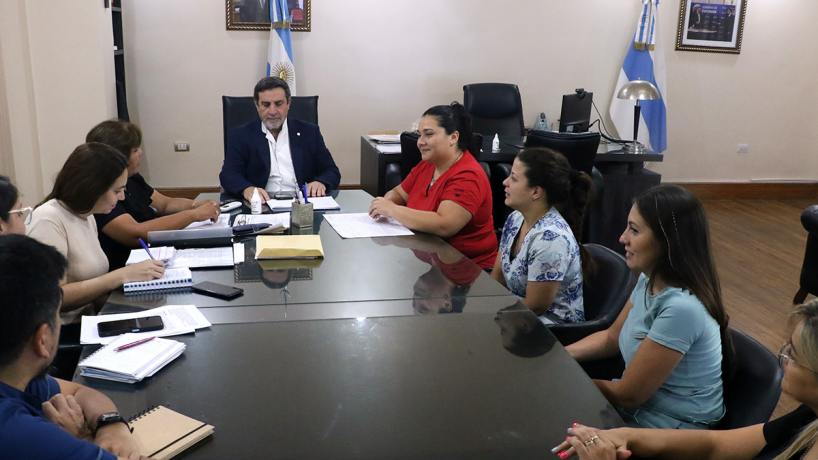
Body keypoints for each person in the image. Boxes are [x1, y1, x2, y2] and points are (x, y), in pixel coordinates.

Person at [554, 299, 818, 460]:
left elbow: (629, 394)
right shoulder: (809, 416)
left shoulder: (683, 310)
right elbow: (715, 445)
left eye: (793, 354)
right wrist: (625, 435)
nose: (784, 358)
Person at [565, 184, 732, 429]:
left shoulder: (682, 309)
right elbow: (611, 338)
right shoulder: (648, 279)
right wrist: (561, 356)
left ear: (668, 241)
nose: (623, 238)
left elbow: (628, 395)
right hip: (636, 412)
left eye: (634, 230)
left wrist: (567, 379)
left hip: (669, 428)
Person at [0, 234, 149, 459]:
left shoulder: (15, 376)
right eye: (57, 316)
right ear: (43, 339)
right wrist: (81, 440)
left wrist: (111, 425)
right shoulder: (24, 435)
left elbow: (79, 391)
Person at [27, 143, 165, 324]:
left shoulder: (87, 215)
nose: (122, 197)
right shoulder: (48, 219)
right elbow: (52, 297)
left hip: (92, 320)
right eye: (117, 191)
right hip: (64, 332)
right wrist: (122, 276)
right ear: (92, 188)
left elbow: (93, 291)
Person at [368, 103, 497, 269]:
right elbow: (398, 193)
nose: (420, 142)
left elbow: (444, 225)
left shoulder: (468, 176)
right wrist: (386, 204)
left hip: (469, 270)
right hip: (432, 260)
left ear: (453, 137)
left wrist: (392, 210)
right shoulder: (428, 164)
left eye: (428, 134)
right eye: (419, 135)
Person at [86, 120, 220, 269]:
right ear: (118, 156)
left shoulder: (132, 178)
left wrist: (196, 205)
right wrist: (193, 215)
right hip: (130, 268)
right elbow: (135, 234)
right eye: (135, 150)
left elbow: (165, 203)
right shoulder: (102, 195)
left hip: (156, 257)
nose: (141, 153)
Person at [490, 148, 592, 324]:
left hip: (550, 328)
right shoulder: (515, 218)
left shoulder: (551, 239)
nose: (505, 182)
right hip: (515, 313)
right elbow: (498, 277)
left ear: (536, 192)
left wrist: (493, 315)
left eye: (514, 178)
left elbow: (535, 306)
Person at [219, 76, 341, 201]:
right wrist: (247, 189)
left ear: (288, 103)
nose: (272, 111)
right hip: (262, 205)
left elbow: (331, 171)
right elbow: (228, 175)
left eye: (278, 104)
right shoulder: (241, 135)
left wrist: (321, 182)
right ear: (257, 105)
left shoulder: (309, 132)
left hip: (302, 204)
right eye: (266, 105)